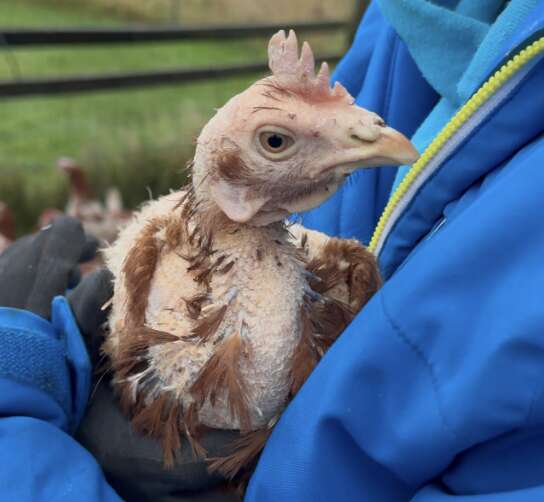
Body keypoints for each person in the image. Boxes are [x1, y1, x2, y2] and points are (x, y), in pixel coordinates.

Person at [1, 0, 544, 500]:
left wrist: (16, 433)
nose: (371, 129)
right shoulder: (410, 15)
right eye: (276, 142)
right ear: (230, 185)